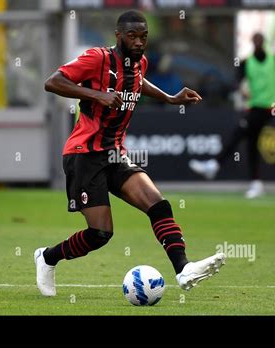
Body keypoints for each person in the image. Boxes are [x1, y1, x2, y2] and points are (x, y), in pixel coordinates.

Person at [36, 10, 226, 297]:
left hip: (114, 153)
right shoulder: (96, 58)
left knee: (158, 204)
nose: (139, 42)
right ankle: (48, 257)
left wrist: (170, 98)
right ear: (118, 36)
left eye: (144, 37)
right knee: (100, 234)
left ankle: (183, 269)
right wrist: (97, 95)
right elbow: (53, 81)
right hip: (84, 154)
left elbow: (138, 83)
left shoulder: (140, 63)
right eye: (132, 36)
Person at [189, 33, 275, 199]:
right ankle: (256, 183)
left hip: (268, 108)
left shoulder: (274, 60)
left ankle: (215, 164)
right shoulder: (246, 62)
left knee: (240, 131)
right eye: (255, 41)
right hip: (254, 107)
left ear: (263, 42)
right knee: (251, 143)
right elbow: (236, 81)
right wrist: (236, 90)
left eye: (259, 41)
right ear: (252, 43)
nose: (257, 44)